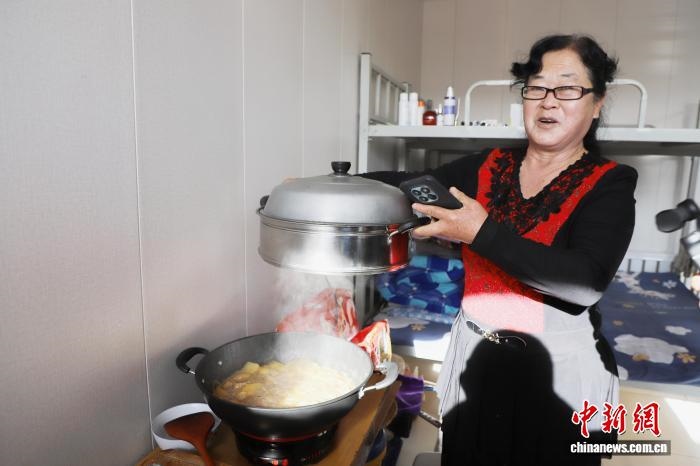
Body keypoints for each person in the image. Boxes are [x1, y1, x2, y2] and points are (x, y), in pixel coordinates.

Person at [361, 34, 636, 465]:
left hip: (560, 376)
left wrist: (480, 232)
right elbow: (409, 182)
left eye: (567, 88)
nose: (548, 101)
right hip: (477, 360)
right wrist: (329, 186)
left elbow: (584, 282)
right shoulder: (488, 165)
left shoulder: (611, 183)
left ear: (597, 102)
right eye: (536, 87)